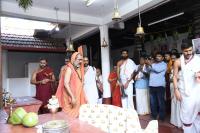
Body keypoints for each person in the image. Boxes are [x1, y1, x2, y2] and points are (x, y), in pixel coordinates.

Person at [173, 40, 200, 133]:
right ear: (182, 50)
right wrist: (176, 90)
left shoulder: (198, 59)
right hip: (184, 91)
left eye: (190, 50)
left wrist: (198, 74)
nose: (188, 53)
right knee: (186, 115)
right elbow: (175, 76)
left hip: (197, 90)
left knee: (197, 113)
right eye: (186, 51)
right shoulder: (177, 62)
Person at [56, 52, 87, 118]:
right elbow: (66, 83)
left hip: (77, 96)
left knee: (76, 116)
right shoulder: (69, 68)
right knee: (69, 116)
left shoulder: (76, 69)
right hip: (70, 97)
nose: (80, 61)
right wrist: (72, 97)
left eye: (81, 60)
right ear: (73, 59)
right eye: (79, 60)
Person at [147, 52, 167, 121]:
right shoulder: (153, 64)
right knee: (153, 102)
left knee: (161, 102)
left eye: (159, 56)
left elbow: (157, 70)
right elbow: (147, 71)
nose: (157, 57)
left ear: (162, 58)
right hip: (152, 85)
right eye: (157, 56)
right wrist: (149, 64)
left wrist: (151, 64)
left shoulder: (164, 64)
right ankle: (154, 115)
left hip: (160, 86)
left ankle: (161, 117)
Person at [169, 52, 182, 128]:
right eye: (172, 58)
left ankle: (180, 122)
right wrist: (173, 78)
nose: (173, 60)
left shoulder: (182, 67)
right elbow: (170, 79)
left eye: (174, 58)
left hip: (180, 87)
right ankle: (174, 121)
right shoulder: (171, 67)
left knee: (179, 104)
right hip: (173, 86)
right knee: (174, 103)